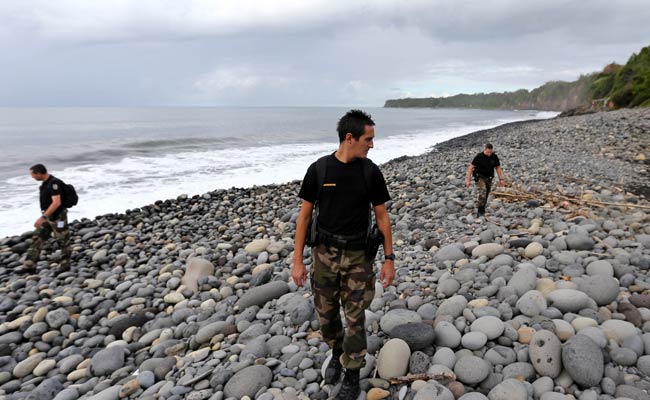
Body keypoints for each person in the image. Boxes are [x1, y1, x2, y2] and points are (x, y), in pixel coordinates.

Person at [292, 110, 395, 399]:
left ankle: (352, 372)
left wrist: (389, 260)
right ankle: (338, 351)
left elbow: (383, 218)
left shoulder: (370, 172)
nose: (372, 145)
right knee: (327, 319)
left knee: (355, 318)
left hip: (358, 257)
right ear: (349, 138)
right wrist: (298, 260)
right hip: (323, 256)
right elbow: (304, 218)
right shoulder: (319, 170)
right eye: (368, 139)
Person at [23, 164, 71, 273]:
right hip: (48, 217)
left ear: (39, 173)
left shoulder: (54, 183)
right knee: (37, 238)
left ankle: (65, 265)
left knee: (63, 240)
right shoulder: (45, 184)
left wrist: (43, 217)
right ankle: (29, 265)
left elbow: (56, 202)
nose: (32, 177)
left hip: (58, 218)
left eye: (33, 175)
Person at [465, 143, 505, 216]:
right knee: (482, 191)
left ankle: (482, 207)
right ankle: (480, 211)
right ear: (485, 149)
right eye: (487, 152)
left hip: (489, 177)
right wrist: (468, 180)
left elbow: (498, 168)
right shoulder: (479, 157)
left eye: (490, 152)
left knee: (487, 192)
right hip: (479, 177)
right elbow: (471, 167)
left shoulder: (494, 157)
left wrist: (501, 179)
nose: (489, 154)